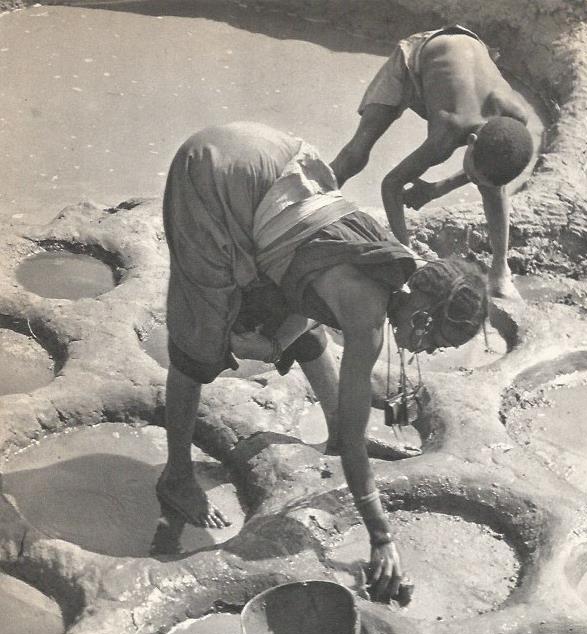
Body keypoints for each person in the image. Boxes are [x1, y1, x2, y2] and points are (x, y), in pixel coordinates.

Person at [157, 121, 489, 602]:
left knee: (296, 310)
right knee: (198, 345)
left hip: (275, 161)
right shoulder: (367, 315)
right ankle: (176, 477)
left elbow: (304, 287)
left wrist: (271, 347)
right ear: (423, 314)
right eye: (438, 338)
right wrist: (381, 535)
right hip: (216, 174)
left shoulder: (394, 261)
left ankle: (331, 420)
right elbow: (356, 449)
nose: (434, 351)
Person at [331, 24, 534, 299]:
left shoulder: (515, 119)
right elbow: (391, 184)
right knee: (357, 154)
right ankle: (314, 201)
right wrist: (406, 255)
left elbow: (488, 176)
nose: (471, 180)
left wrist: (438, 188)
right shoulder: (447, 133)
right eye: (472, 174)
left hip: (468, 47)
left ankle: (501, 272)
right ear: (471, 142)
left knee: (493, 187)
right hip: (418, 55)